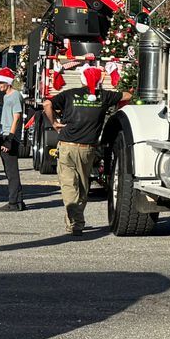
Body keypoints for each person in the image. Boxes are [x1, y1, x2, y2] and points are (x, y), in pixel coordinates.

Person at [44, 62, 131, 235]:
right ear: (99, 81)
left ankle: (75, 221)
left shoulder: (68, 95)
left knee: (69, 186)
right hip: (87, 149)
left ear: (81, 79)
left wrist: (54, 123)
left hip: (66, 146)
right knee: (83, 186)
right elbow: (127, 95)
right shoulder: (104, 96)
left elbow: (47, 104)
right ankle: (75, 221)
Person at [0, 66, 27, 210]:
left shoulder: (15, 95)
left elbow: (16, 118)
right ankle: (18, 201)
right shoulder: (5, 96)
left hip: (10, 138)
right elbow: (5, 119)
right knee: (8, 170)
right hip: (4, 134)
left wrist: (9, 139)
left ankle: (14, 203)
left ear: (7, 82)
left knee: (12, 171)